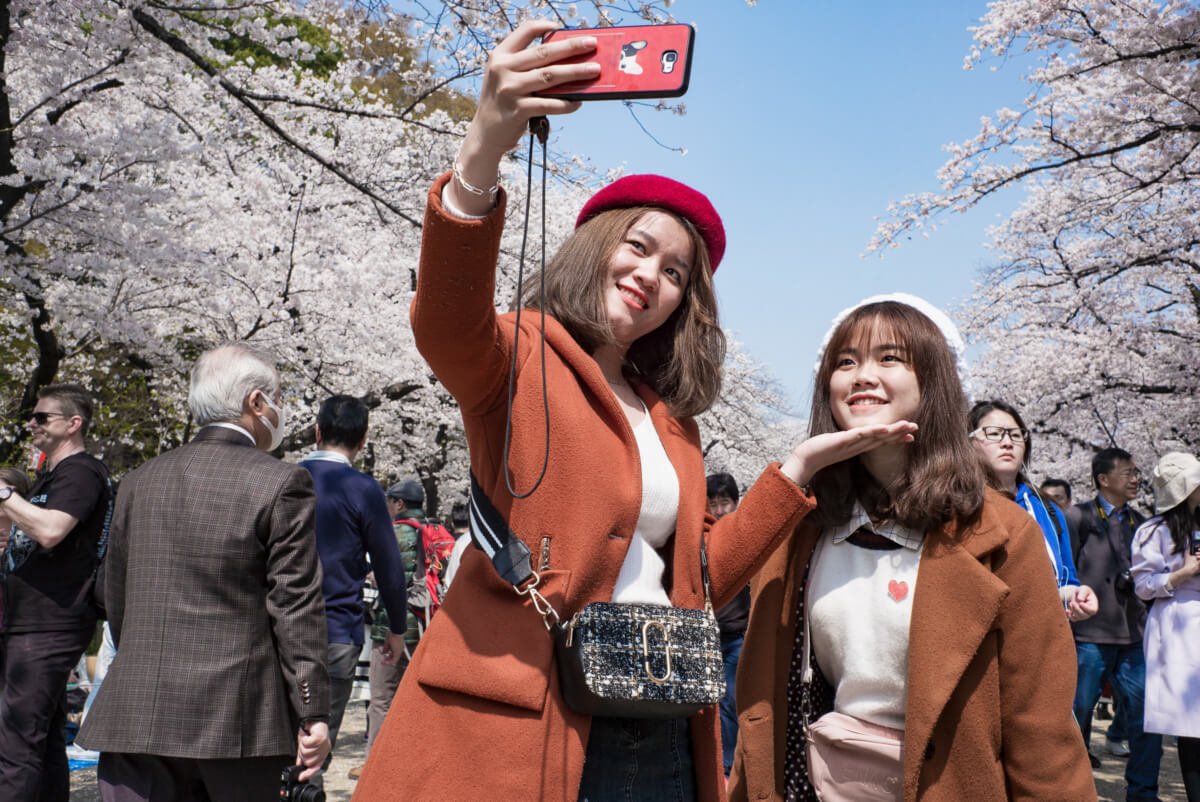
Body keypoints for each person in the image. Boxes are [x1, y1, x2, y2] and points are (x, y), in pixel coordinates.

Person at [353, 21, 914, 801]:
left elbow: (698, 583)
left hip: (662, 722)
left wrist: (799, 469)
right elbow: (445, 320)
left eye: (677, 271)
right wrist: (484, 148)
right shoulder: (516, 355)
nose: (653, 275)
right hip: (525, 718)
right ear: (597, 247)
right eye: (639, 248)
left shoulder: (670, 421)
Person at [729, 294, 1095, 801]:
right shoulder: (806, 525)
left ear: (935, 379)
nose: (862, 375)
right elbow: (710, 580)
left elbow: (1038, 723)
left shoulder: (1001, 532)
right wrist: (798, 466)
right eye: (846, 361)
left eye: (889, 358)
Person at [76, 343, 331, 801]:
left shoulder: (139, 480)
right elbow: (295, 606)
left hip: (137, 708)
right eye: (278, 398)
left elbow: (115, 596)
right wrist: (312, 711)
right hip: (238, 718)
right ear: (256, 403)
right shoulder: (280, 482)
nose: (281, 410)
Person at [0, 384, 113, 802]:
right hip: (29, 623)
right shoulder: (54, 475)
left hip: (49, 625)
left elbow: (50, 531)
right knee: (42, 741)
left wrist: (4, 493)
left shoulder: (82, 471)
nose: (31, 423)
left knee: (14, 746)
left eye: (42, 417)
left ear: (73, 423)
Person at [300, 395, 407, 787]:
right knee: (315, 747)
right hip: (335, 631)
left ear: (316, 431)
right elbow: (389, 567)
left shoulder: (283, 478)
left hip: (274, 629)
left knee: (278, 741)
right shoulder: (363, 489)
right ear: (363, 440)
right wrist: (396, 627)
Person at [1066, 447, 1163, 800]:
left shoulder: (1142, 523)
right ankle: (1071, 789)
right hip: (1088, 636)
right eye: (1128, 473)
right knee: (1077, 714)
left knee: (1145, 718)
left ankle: (1142, 793)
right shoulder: (1077, 517)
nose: (1136, 479)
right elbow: (1065, 572)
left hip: (1133, 636)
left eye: (1137, 472)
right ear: (1103, 479)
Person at [968, 399, 1098, 621]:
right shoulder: (960, 507)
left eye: (1016, 435)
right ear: (969, 442)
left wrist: (1075, 596)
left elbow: (1064, 581)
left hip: (1045, 637)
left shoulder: (1048, 509)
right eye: (994, 433)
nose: (1007, 442)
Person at [348, 479, 429, 782]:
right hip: (428, 625)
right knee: (417, 698)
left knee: (381, 698)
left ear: (400, 504)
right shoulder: (435, 533)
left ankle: (375, 766)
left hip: (393, 628)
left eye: (389, 500)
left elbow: (387, 581)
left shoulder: (394, 533)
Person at [1131, 452, 1200, 802]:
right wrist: (1184, 573)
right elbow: (1143, 585)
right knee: (1191, 726)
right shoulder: (1152, 531)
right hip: (1176, 627)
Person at [707, 471, 749, 779]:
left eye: (725, 503)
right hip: (707, 635)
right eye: (713, 504)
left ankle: (728, 767)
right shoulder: (701, 538)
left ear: (736, 503)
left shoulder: (746, 535)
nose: (720, 510)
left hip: (737, 635)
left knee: (730, 700)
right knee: (712, 702)